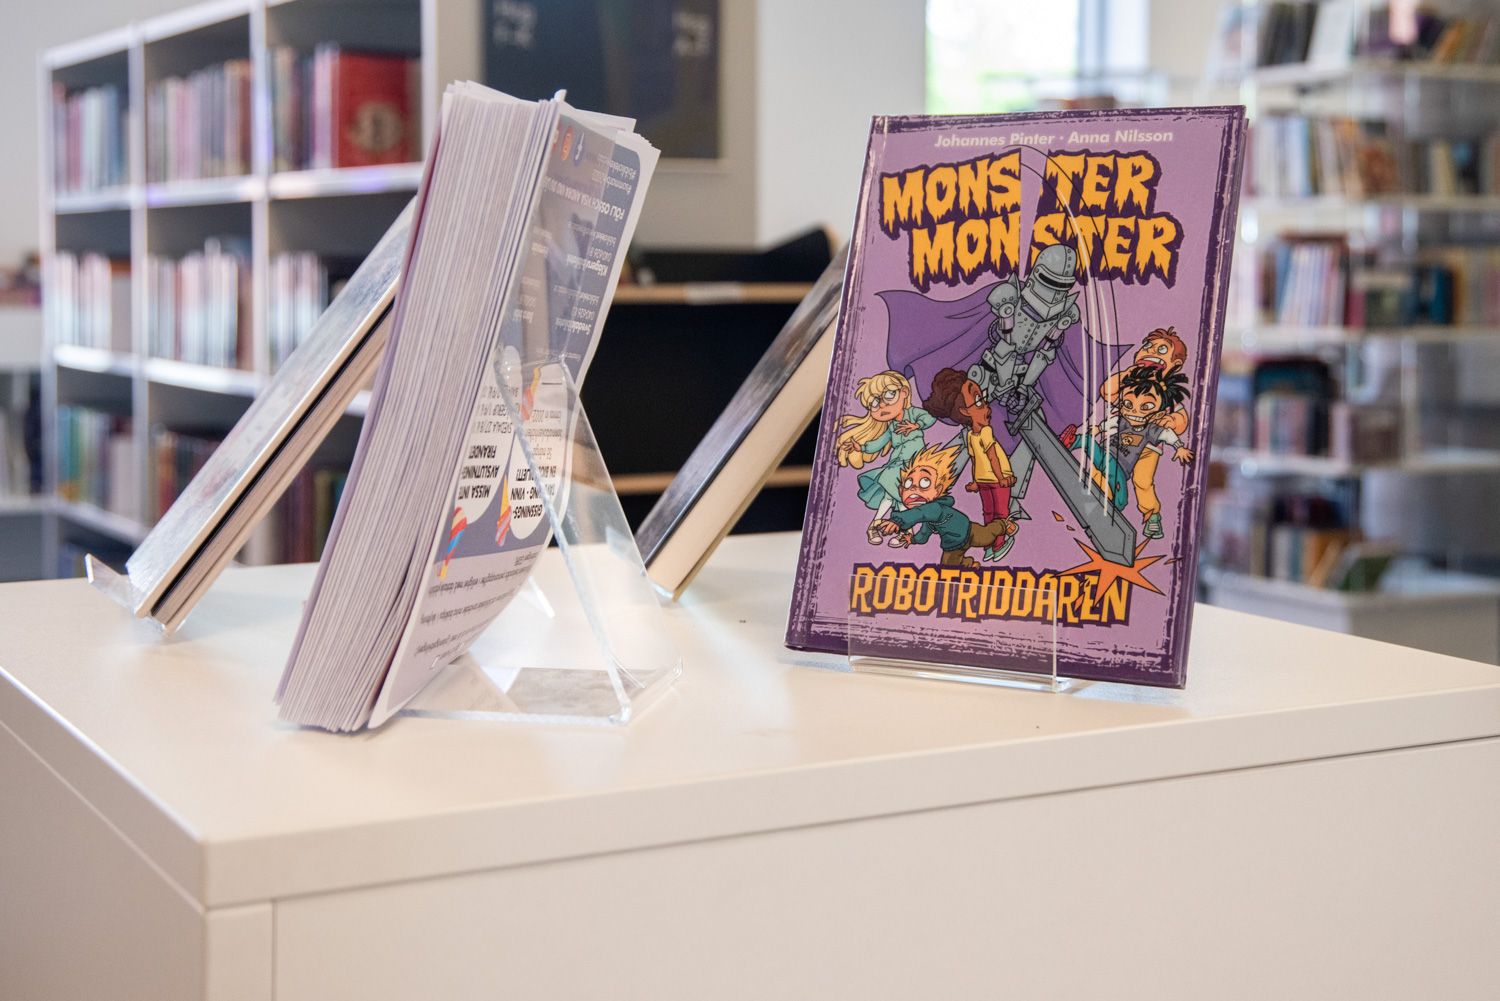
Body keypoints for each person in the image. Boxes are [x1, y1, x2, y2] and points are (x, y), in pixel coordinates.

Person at [923, 367, 1018, 561]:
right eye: (979, 401)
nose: (987, 407)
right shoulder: (984, 432)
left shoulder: (972, 435)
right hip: (995, 479)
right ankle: (998, 545)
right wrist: (1001, 478)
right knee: (1000, 513)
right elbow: (991, 457)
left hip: (984, 480)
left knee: (989, 512)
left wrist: (977, 481)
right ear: (965, 411)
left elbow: (976, 459)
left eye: (983, 399)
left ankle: (990, 545)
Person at [835, 370, 936, 545]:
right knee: (895, 495)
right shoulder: (891, 427)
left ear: (904, 392)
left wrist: (916, 425)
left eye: (889, 395)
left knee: (898, 497)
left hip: (915, 467)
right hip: (897, 465)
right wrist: (861, 447)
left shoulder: (913, 414)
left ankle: (881, 526)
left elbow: (930, 418)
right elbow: (879, 442)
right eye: (874, 403)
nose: (882, 405)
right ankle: (901, 530)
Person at [875, 443, 1016, 567]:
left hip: (970, 531)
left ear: (938, 489)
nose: (913, 488)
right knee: (949, 565)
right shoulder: (929, 517)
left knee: (988, 535)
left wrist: (897, 521)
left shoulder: (935, 508)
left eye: (924, 482)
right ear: (901, 490)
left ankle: (1004, 525)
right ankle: (969, 564)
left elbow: (919, 513)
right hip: (954, 544)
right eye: (908, 483)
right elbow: (923, 534)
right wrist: (911, 540)